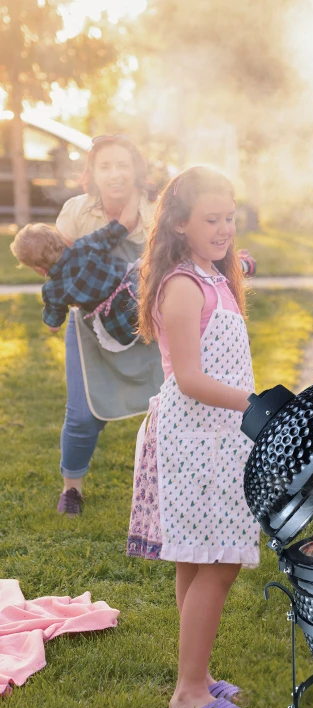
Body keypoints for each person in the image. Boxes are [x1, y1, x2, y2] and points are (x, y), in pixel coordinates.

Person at [127, 166, 261, 708]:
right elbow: (188, 378)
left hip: (218, 439)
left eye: (229, 217)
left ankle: (197, 675)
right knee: (220, 561)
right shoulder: (183, 286)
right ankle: (188, 694)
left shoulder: (216, 279)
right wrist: (254, 403)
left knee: (197, 556)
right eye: (211, 219)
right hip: (192, 440)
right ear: (180, 225)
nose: (224, 228)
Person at [54, 134, 162, 517]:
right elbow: (57, 267)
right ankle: (72, 489)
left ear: (136, 169)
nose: (115, 174)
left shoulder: (157, 211)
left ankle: (168, 484)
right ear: (92, 173)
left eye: (122, 165)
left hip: (149, 323)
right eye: (105, 166)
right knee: (83, 413)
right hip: (89, 328)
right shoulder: (77, 212)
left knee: (168, 406)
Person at [11, 192, 141, 348]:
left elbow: (54, 327)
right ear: (59, 239)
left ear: (39, 269)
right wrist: (136, 192)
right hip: (140, 289)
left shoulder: (53, 291)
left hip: (121, 323)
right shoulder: (86, 246)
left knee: (143, 334)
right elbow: (123, 225)